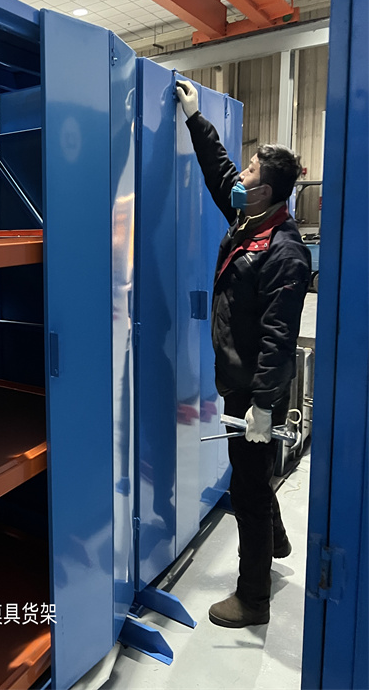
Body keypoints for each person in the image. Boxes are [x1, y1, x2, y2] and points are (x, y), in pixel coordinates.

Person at [176, 80, 311, 629]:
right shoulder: (250, 220)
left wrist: (262, 405)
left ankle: (253, 598)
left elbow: (279, 338)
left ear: (267, 190)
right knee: (252, 472)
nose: (241, 175)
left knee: (247, 489)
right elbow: (220, 172)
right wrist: (195, 119)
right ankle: (275, 541)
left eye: (251, 171)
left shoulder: (285, 252)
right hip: (240, 381)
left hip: (257, 390)